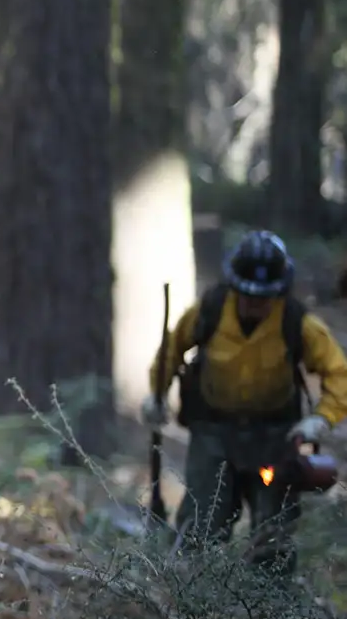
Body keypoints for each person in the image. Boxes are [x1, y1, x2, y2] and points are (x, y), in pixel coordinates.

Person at [142, 230, 347, 575]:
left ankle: (269, 615)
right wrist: (156, 394)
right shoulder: (208, 311)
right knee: (200, 524)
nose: (256, 304)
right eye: (248, 295)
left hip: (275, 440)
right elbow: (171, 351)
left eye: (265, 297)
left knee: (274, 532)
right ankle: (193, 607)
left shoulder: (296, 323)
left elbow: (338, 373)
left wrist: (322, 419)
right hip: (213, 435)